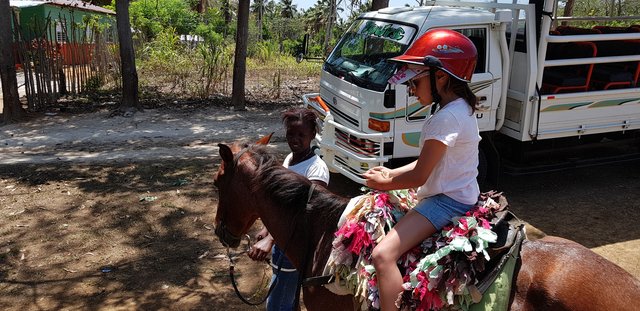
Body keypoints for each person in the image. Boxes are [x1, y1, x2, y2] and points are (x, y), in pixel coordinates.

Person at [362, 29, 481, 311]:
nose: (411, 89)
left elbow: (419, 176)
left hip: (446, 202)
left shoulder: (445, 118)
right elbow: (427, 161)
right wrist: (390, 173)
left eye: (414, 81)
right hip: (456, 194)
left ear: (440, 76)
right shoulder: (458, 109)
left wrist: (382, 184)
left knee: (382, 255)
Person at [247, 107, 330, 311]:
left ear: (313, 135)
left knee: (278, 303)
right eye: (291, 133)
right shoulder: (289, 161)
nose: (295, 139)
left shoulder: (316, 169)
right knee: (285, 298)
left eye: (301, 134)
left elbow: (304, 212)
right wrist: (268, 229)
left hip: (298, 245)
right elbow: (283, 206)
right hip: (283, 241)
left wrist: (270, 238)